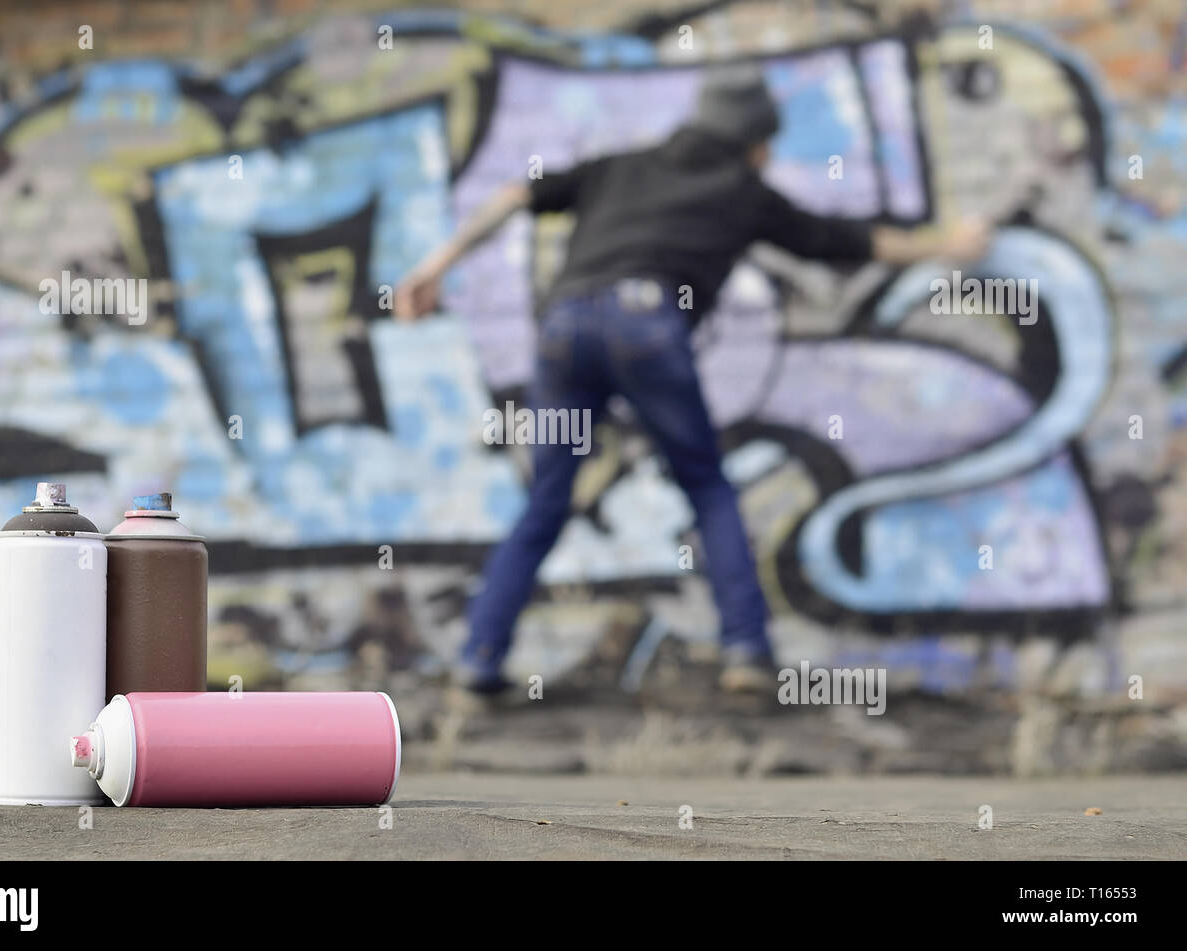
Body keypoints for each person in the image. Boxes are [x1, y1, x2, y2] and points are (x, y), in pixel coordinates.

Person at [394, 65, 989, 695]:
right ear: (751, 141)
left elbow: (515, 195)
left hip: (564, 330)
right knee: (706, 486)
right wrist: (948, 247)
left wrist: (433, 267)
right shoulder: (743, 190)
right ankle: (746, 652)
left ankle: (479, 658)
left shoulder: (621, 164)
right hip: (646, 326)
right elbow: (846, 240)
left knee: (547, 499)